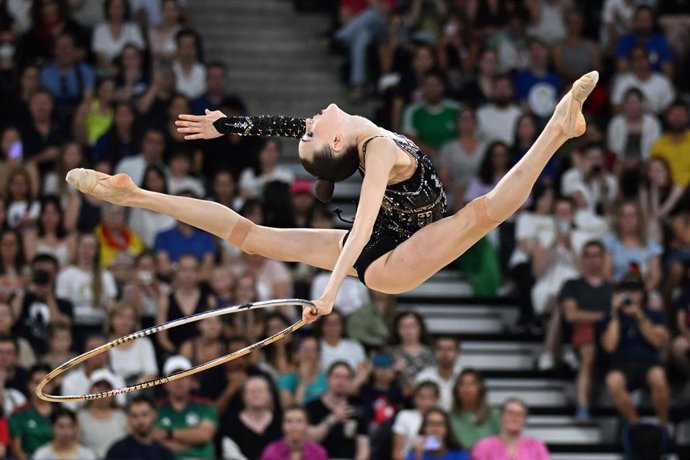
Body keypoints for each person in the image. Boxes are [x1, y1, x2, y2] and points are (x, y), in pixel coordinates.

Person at [68, 71, 599, 323]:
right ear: (336, 143)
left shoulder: (357, 138)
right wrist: (330, 292)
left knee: (252, 240)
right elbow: (364, 223)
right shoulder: (368, 146)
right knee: (482, 212)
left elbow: (277, 125)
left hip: (393, 236)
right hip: (393, 262)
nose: (308, 122)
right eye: (310, 132)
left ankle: (134, 194)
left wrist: (225, 123)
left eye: (307, 131)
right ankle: (556, 127)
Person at [601, 268, 670, 428]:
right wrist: (615, 315)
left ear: (643, 293)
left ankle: (664, 426)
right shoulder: (610, 317)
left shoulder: (654, 315)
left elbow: (657, 341)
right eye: (627, 290)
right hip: (622, 364)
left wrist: (639, 316)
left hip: (649, 362)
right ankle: (636, 426)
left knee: (658, 377)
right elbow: (610, 346)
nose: (631, 295)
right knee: (613, 381)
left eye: (635, 290)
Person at [560, 241, 613, 422]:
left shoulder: (612, 288)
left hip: (611, 334)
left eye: (597, 255)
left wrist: (601, 318)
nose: (593, 260)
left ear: (603, 258)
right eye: (588, 255)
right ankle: (582, 405)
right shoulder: (573, 285)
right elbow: (571, 315)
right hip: (582, 334)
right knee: (588, 353)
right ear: (582, 259)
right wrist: (603, 316)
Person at [154, 355, 218, 459]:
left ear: (192, 381)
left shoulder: (206, 406)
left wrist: (169, 433)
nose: (179, 381)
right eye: (174, 377)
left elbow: (204, 435)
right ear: (165, 383)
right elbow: (152, 438)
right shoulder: (156, 409)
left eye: (184, 376)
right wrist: (192, 442)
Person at [306, 361, 369, 460]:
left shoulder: (357, 409)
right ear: (328, 379)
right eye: (337, 376)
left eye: (346, 378)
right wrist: (333, 418)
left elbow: (363, 449)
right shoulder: (311, 407)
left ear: (351, 382)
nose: (341, 381)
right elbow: (310, 439)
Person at [472, 398, 549, 460]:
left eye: (519, 414)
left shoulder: (536, 446)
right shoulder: (484, 446)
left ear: (525, 419)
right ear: (501, 416)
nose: (514, 417)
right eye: (510, 413)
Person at [105, 396, 176, 460]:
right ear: (128, 419)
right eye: (135, 416)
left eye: (144, 415)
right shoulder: (118, 450)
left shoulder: (164, 453)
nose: (140, 421)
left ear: (154, 415)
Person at [449, 369, 500, 450]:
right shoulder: (448, 417)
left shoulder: (494, 415)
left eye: (471, 384)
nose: (466, 388)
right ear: (456, 390)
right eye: (462, 384)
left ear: (480, 389)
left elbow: (505, 447)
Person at [261, 405, 328, 460]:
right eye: (289, 421)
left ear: (307, 425)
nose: (294, 426)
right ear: (282, 426)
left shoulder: (318, 452)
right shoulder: (271, 452)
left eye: (299, 421)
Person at [415, 336, 461, 411]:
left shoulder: (465, 377)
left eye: (450, 349)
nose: (445, 353)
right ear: (434, 352)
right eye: (440, 349)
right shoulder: (423, 377)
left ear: (458, 352)